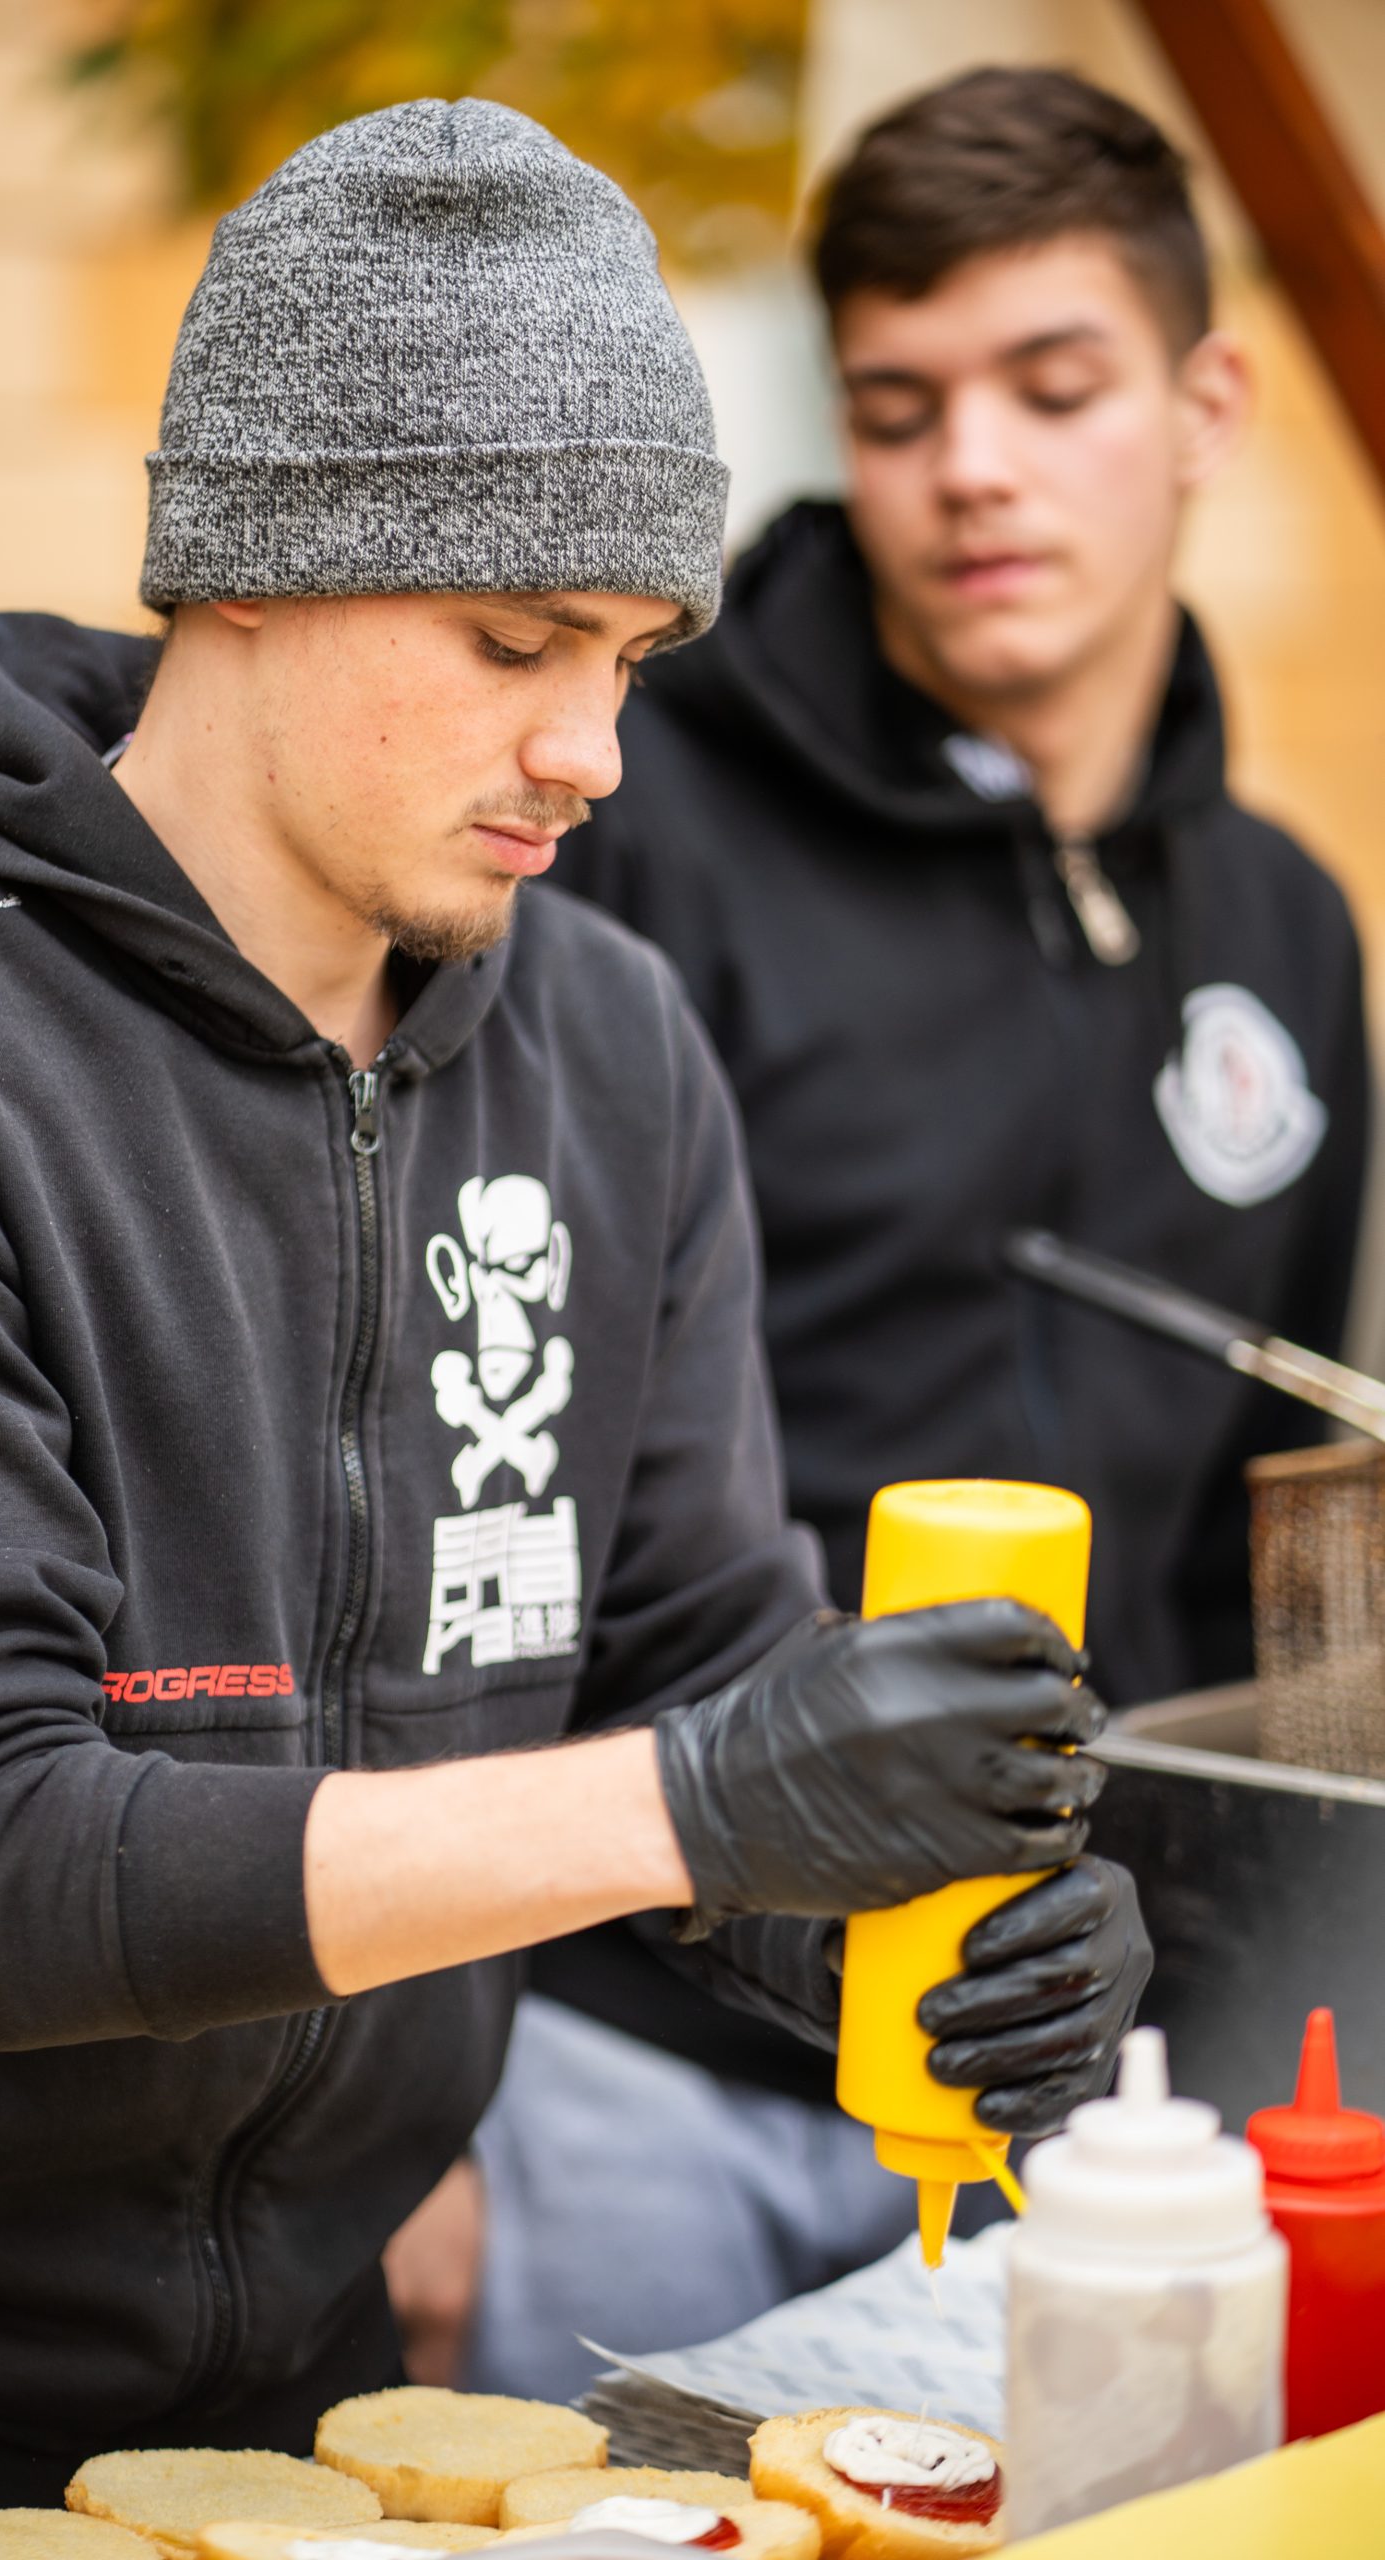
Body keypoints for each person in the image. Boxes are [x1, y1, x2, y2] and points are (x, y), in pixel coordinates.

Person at [0, 100, 1147, 2553]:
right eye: (513, 641)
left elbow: (687, 1662)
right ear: (255, 568)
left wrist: (896, 1916)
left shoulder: (610, 1045)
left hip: (334, 2418)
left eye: (628, 658)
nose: (590, 750)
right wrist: (700, 1800)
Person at [453, 65, 1367, 2401]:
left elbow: (1249, 1542)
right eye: (894, 404)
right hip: (618, 2038)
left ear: (1202, 405)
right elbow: (409, 1466)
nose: (968, 465)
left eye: (1049, 389)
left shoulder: (1282, 925)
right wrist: (391, 2089)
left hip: (1068, 2058)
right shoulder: (605, 825)